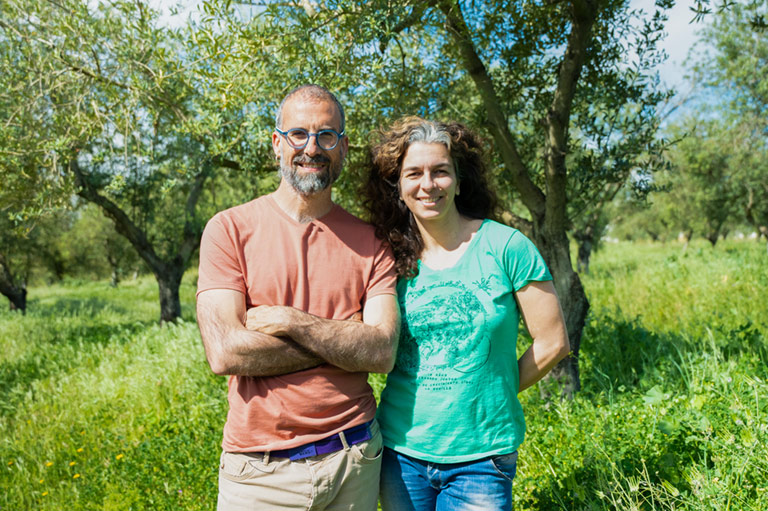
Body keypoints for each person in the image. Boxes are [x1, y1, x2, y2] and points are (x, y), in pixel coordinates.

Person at [196, 84, 400, 511]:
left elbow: (382, 351)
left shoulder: (372, 241)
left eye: (327, 135)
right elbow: (226, 352)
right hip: (260, 472)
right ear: (277, 143)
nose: (312, 147)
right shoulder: (228, 230)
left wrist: (293, 322)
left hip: (355, 459)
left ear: (342, 147)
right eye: (298, 134)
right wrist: (345, 340)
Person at [362, 117, 570, 511]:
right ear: (398, 185)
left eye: (440, 171)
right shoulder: (386, 258)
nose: (428, 184)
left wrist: (488, 392)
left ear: (459, 179)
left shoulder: (506, 246)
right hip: (400, 451)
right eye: (414, 174)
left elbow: (553, 341)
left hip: (482, 458)